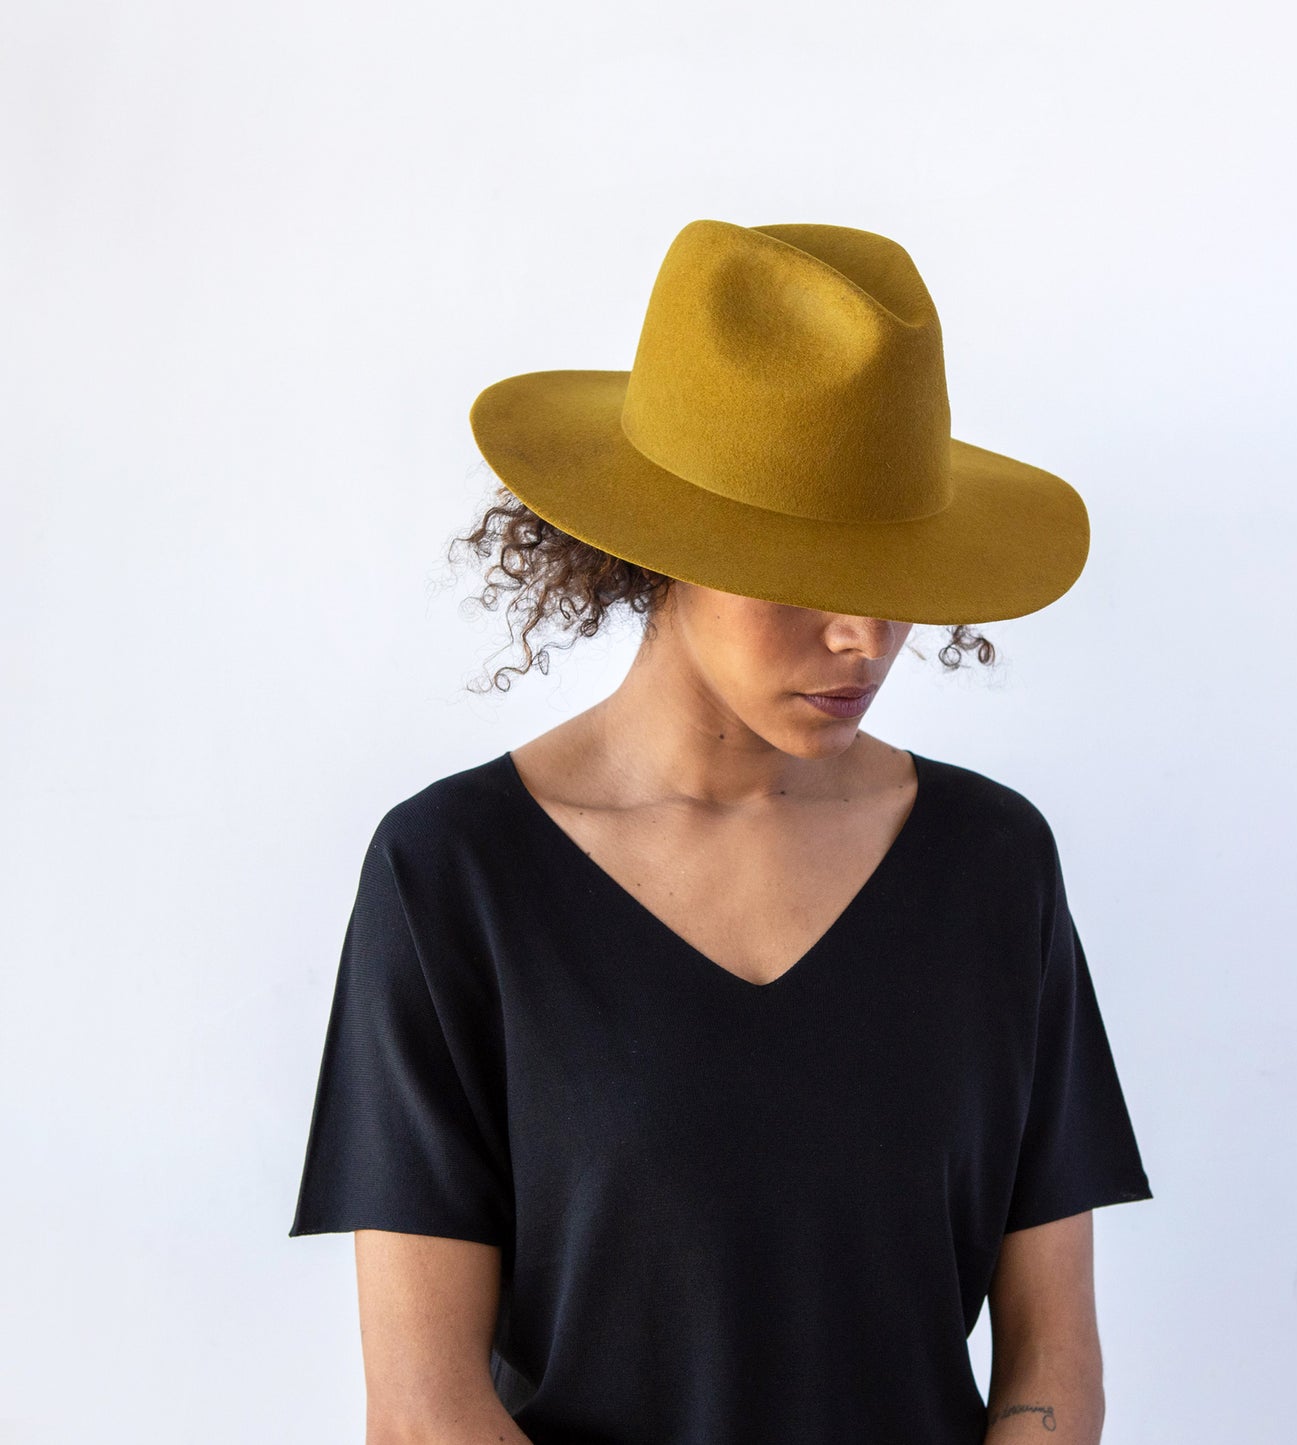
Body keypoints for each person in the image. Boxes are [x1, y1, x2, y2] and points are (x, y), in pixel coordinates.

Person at [288, 219, 1154, 1445]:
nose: (863, 636)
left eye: (891, 572)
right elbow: (425, 1411)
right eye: (803, 569)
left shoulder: (989, 864)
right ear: (667, 544)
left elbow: (1051, 1355)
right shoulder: (454, 875)